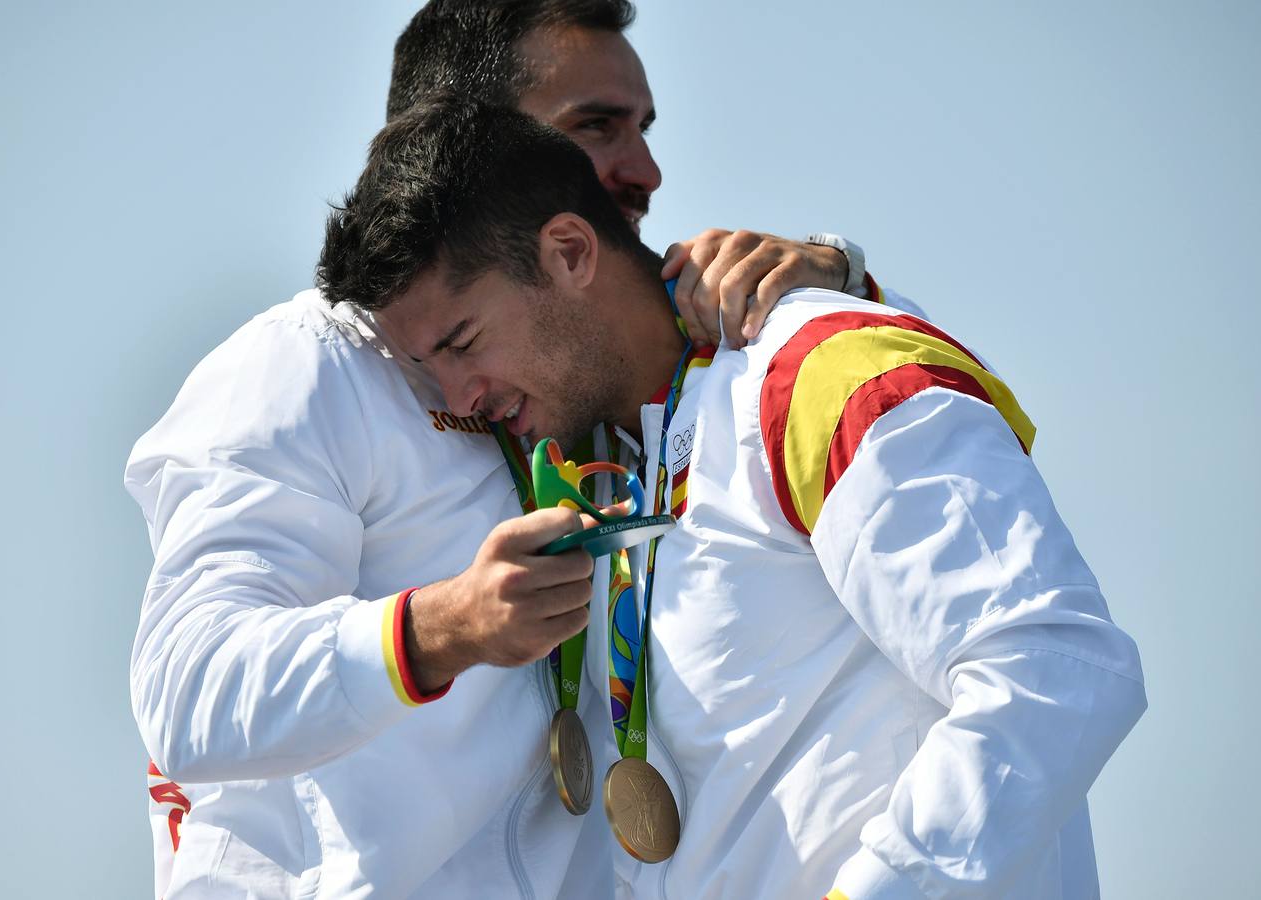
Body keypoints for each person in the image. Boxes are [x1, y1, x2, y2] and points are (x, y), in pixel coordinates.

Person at [127, 1, 913, 897]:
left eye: (643, 128)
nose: (647, 170)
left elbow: (919, 434)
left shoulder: (588, 351)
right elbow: (188, 691)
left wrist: (837, 276)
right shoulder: (302, 366)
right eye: (596, 127)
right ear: (460, 143)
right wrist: (443, 627)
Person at [319, 95, 1148, 899]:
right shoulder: (604, 454)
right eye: (434, 368)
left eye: (463, 342)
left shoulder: (820, 368)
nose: (459, 397)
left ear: (570, 252)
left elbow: (1055, 667)